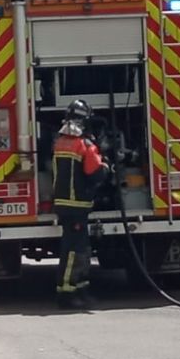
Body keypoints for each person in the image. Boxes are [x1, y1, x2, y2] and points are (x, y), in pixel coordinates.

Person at [51, 98, 106, 309]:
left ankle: (81, 288)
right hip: (77, 206)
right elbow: (94, 172)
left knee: (81, 249)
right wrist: (107, 167)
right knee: (74, 251)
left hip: (65, 205)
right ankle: (66, 292)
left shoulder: (61, 141)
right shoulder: (84, 145)